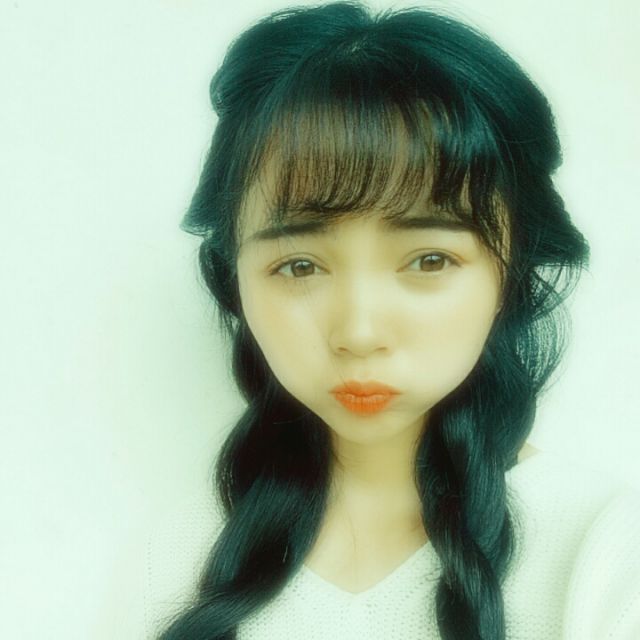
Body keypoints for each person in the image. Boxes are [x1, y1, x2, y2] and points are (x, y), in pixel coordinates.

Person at [142, 2, 640, 639]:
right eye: (299, 266)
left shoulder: (605, 551)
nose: (359, 333)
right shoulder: (176, 557)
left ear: (510, 273)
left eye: (429, 260)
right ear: (233, 278)